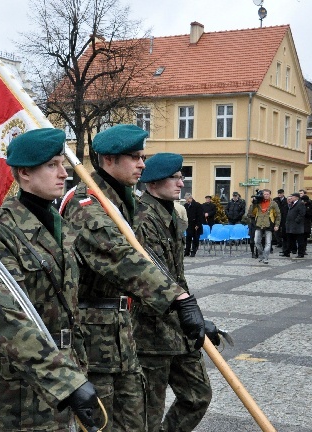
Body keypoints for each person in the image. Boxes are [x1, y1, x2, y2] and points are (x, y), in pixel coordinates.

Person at [60, 125, 206, 431]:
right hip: (95, 336)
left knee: (136, 425)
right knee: (104, 426)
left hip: (124, 334)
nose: (143, 164)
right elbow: (121, 259)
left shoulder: (126, 202)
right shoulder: (87, 203)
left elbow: (156, 264)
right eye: (135, 157)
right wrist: (177, 299)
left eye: (143, 157)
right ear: (109, 160)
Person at [0, 128, 98, 431]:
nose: (64, 173)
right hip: (11, 392)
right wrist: (66, 381)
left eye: (62, 164)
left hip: (58, 378)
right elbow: (6, 318)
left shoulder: (58, 226)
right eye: (52, 165)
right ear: (24, 172)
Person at [134, 153, 213, 431]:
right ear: (154, 183)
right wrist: (187, 314)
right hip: (150, 332)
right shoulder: (142, 218)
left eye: (182, 176)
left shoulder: (169, 213)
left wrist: (196, 316)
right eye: (175, 177)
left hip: (179, 329)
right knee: (148, 413)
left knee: (198, 395)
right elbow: (154, 281)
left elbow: (177, 277)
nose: (182, 183)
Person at [249, 189, 281, 264]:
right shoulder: (258, 203)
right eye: (264, 194)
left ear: (270, 195)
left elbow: (278, 215)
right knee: (256, 241)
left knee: (268, 242)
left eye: (267, 194)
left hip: (269, 224)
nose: (266, 196)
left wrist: (277, 225)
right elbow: (251, 212)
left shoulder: (273, 203)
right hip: (259, 224)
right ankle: (261, 255)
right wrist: (254, 202)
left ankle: (266, 257)